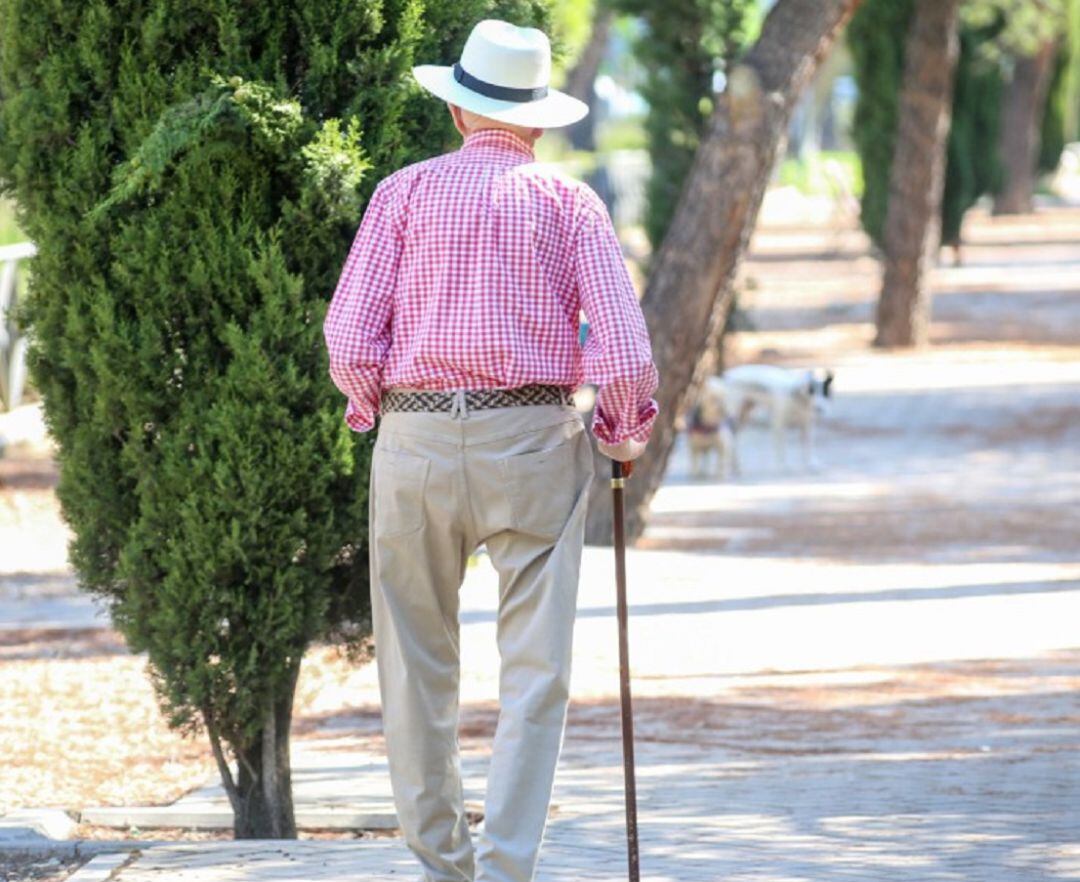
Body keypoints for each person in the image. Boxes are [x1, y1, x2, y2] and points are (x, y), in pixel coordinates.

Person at [323, 18, 659, 882]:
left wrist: (381, 410)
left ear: (458, 113)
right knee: (537, 672)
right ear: (538, 122)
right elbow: (622, 356)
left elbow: (351, 341)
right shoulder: (570, 203)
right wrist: (622, 432)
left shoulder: (401, 193)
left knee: (414, 665)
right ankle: (509, 868)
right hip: (535, 441)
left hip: (417, 441)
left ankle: (445, 867)